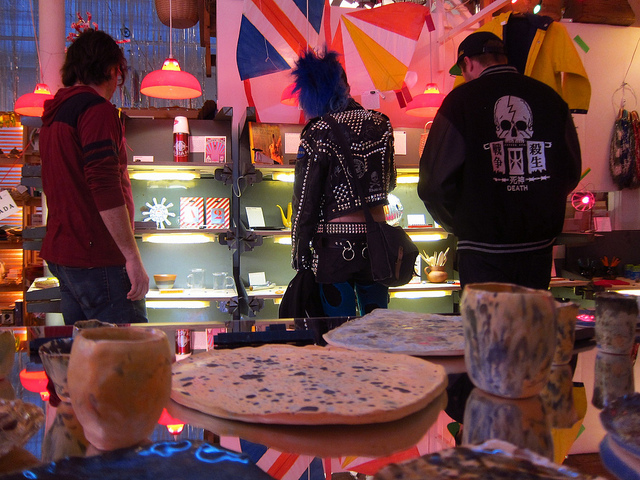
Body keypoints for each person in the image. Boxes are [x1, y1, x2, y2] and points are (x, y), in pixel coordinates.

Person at [418, 31, 581, 290]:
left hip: (482, 251)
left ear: (468, 63)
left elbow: (433, 184)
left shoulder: (459, 102)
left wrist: (460, 224)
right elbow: (571, 172)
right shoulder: (551, 99)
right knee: (529, 326)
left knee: (485, 329)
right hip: (537, 251)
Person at [40, 29, 149, 325]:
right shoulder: (96, 111)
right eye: (118, 73)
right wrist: (132, 257)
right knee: (126, 359)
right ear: (111, 70)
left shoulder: (54, 116)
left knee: (88, 357)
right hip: (97, 257)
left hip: (64, 255)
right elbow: (105, 188)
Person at [290, 49, 396, 316]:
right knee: (377, 327)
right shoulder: (382, 124)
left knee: (339, 331)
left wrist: (299, 254)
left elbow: (305, 202)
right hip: (378, 243)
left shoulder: (318, 131)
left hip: (335, 250)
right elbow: (390, 183)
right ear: (346, 87)